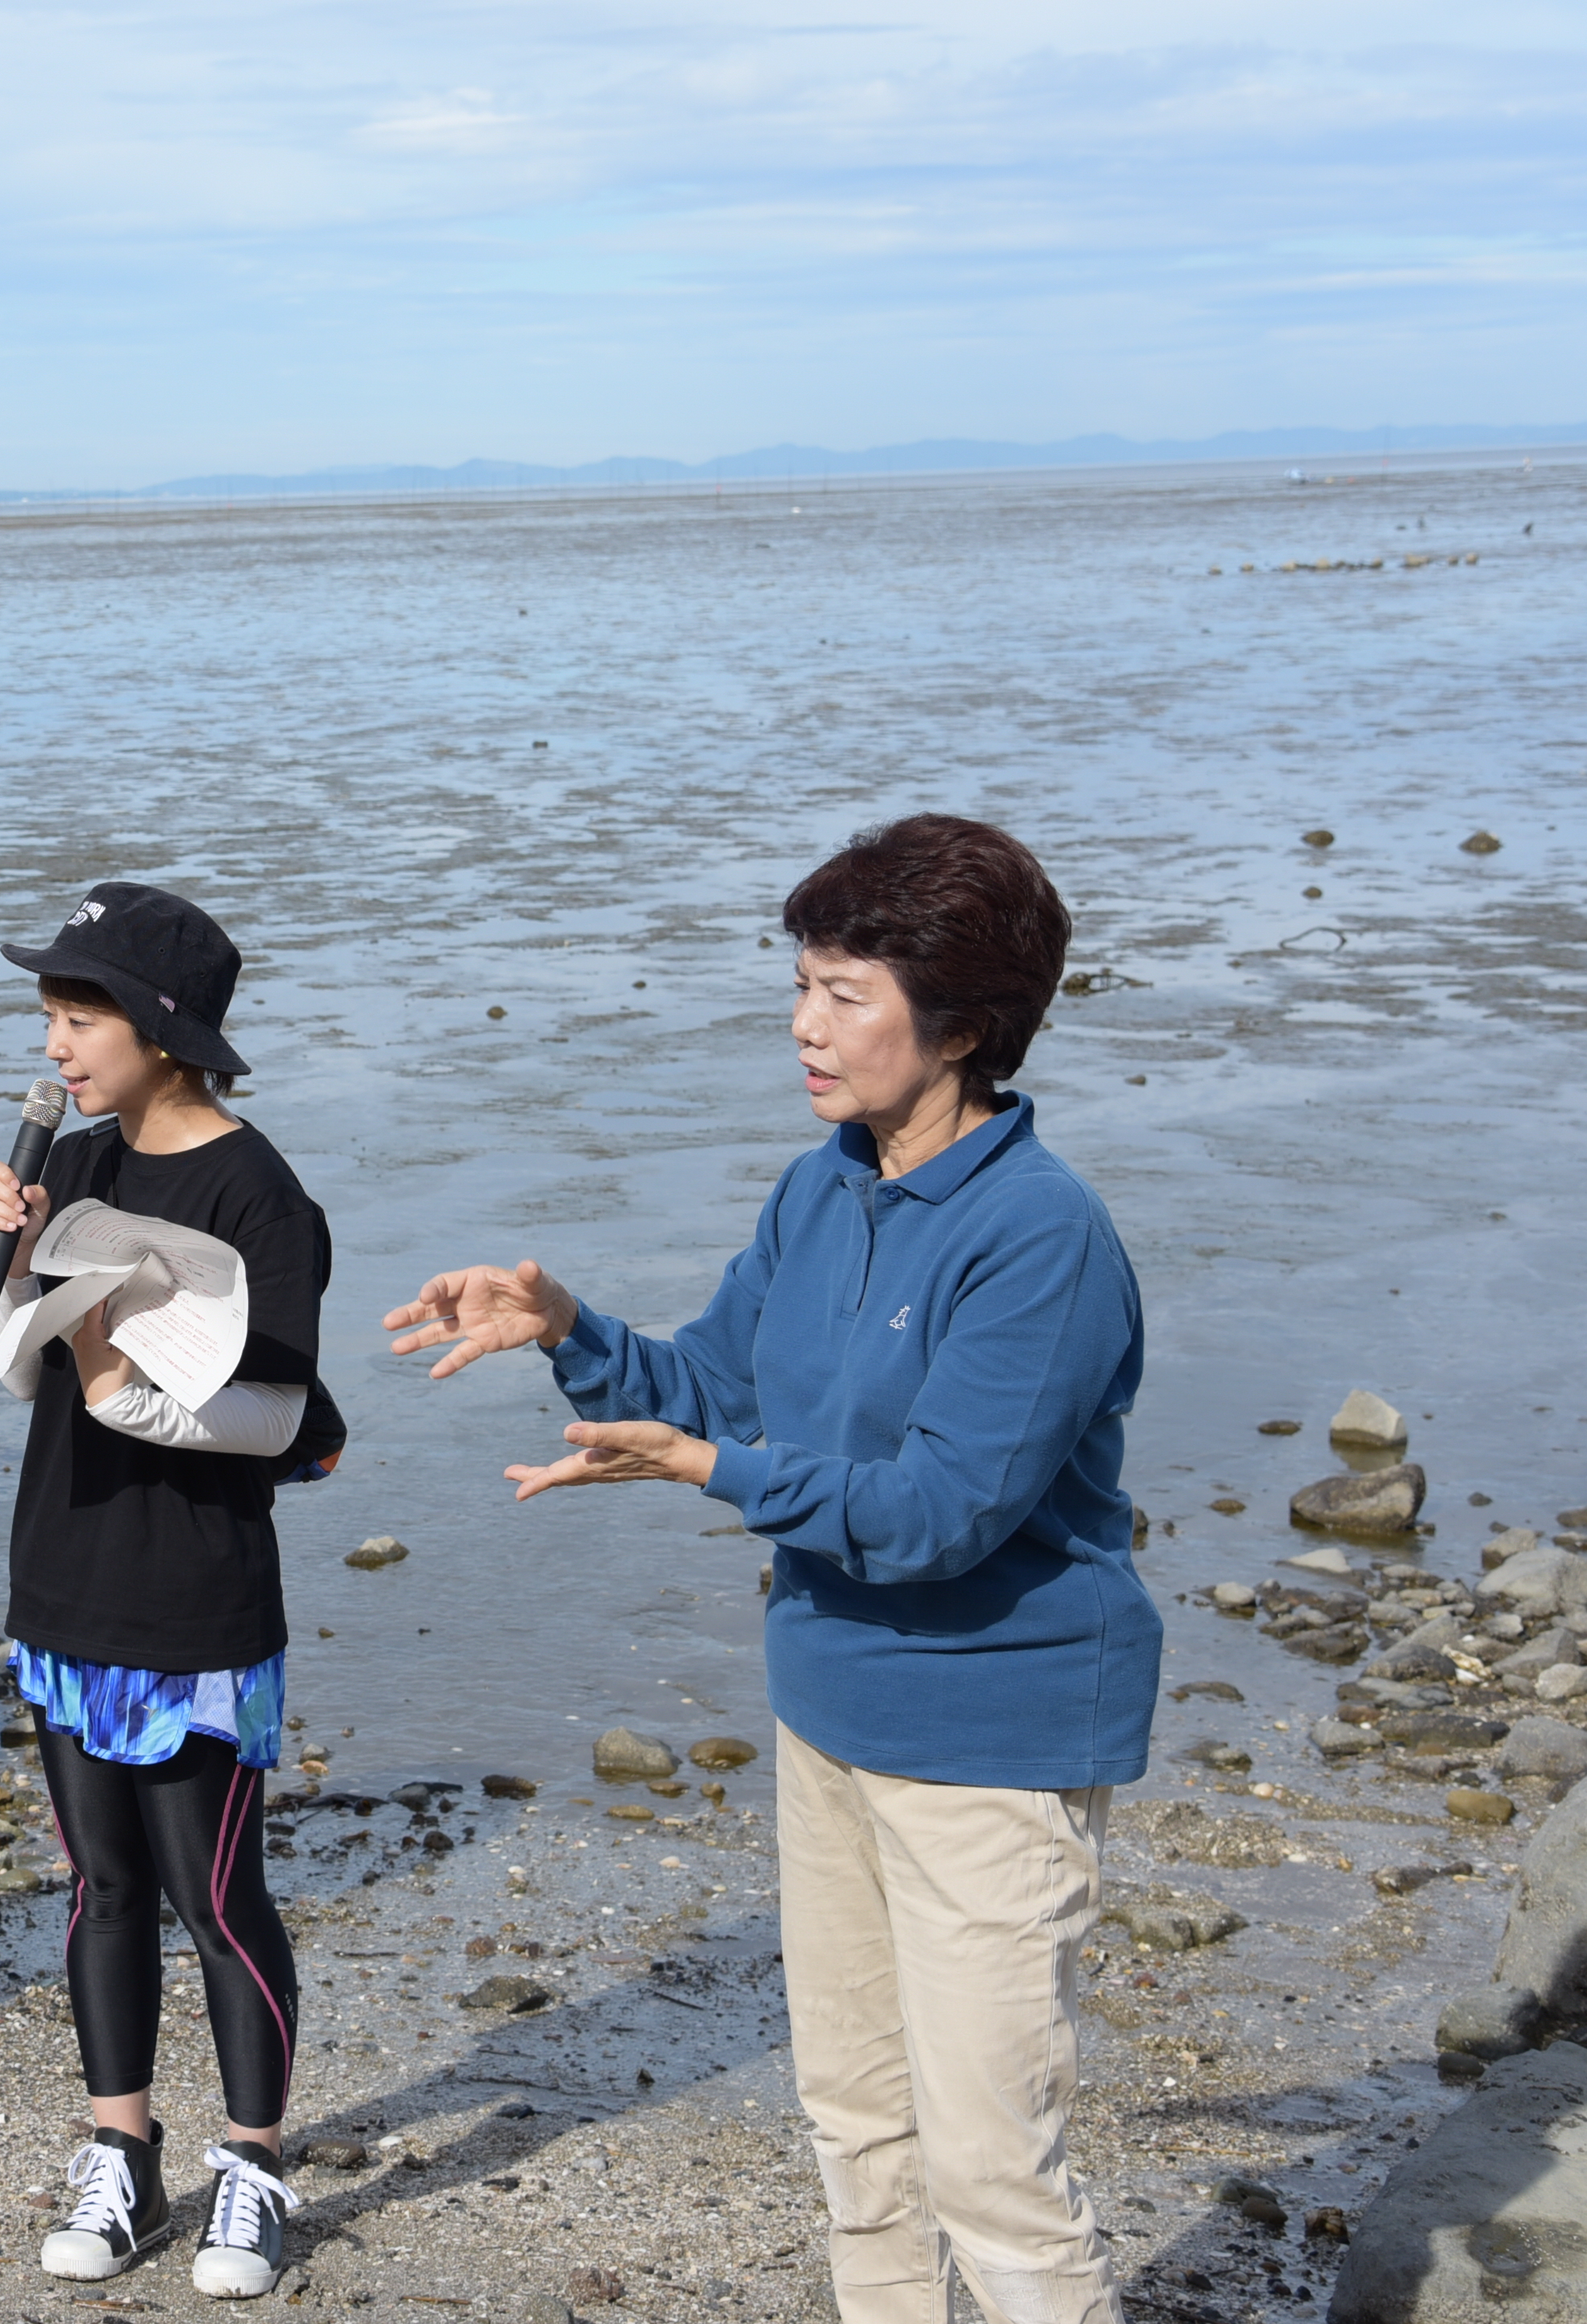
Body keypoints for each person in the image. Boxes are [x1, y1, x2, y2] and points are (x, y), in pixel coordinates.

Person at [387, 813, 1151, 2324]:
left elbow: (941, 1515)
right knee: (860, 2131)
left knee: (996, 2174)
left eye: (846, 994)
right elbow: (724, 1392)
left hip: (993, 1746)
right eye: (801, 984)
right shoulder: (826, 1186)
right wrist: (572, 1334)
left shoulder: (1042, 1235)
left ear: (966, 1025)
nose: (805, 1026)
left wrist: (713, 1475)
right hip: (829, 1713)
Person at [0, 883, 331, 2302]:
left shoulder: (261, 1194)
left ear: (166, 1031)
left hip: (195, 1605)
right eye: (50, 1019)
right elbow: (30, 1369)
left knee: (216, 1893)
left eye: (80, 1018)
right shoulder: (87, 1166)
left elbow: (285, 1417)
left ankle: (254, 2166)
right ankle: (121, 2153)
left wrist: (122, 1385)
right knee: (101, 1884)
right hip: (64, 1576)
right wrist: (5, 1263)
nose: (57, 1048)